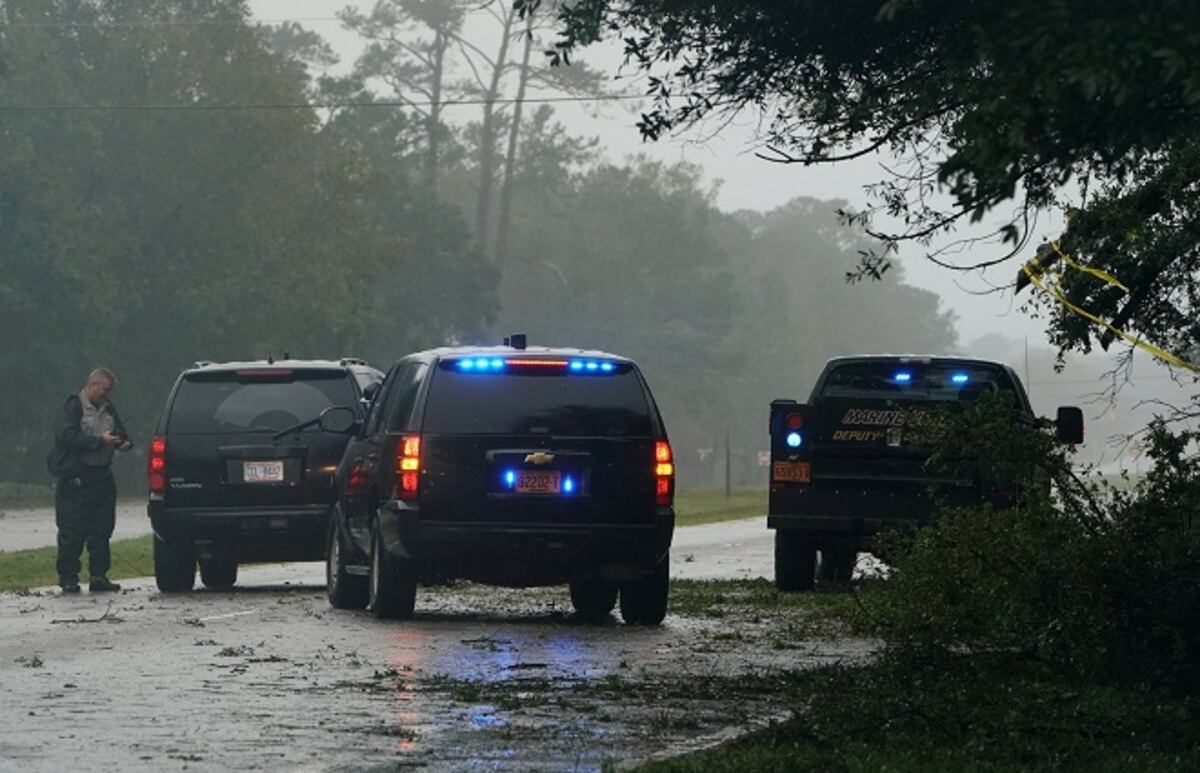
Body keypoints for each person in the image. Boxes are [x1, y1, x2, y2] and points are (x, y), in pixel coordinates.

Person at [49, 368, 133, 594]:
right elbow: (65, 436)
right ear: (93, 385)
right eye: (105, 390)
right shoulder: (73, 406)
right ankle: (68, 578)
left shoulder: (108, 407)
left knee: (102, 529)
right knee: (71, 531)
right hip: (75, 479)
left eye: (110, 391)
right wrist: (98, 441)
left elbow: (122, 433)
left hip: (101, 477)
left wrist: (122, 442)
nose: (107, 394)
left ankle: (99, 576)